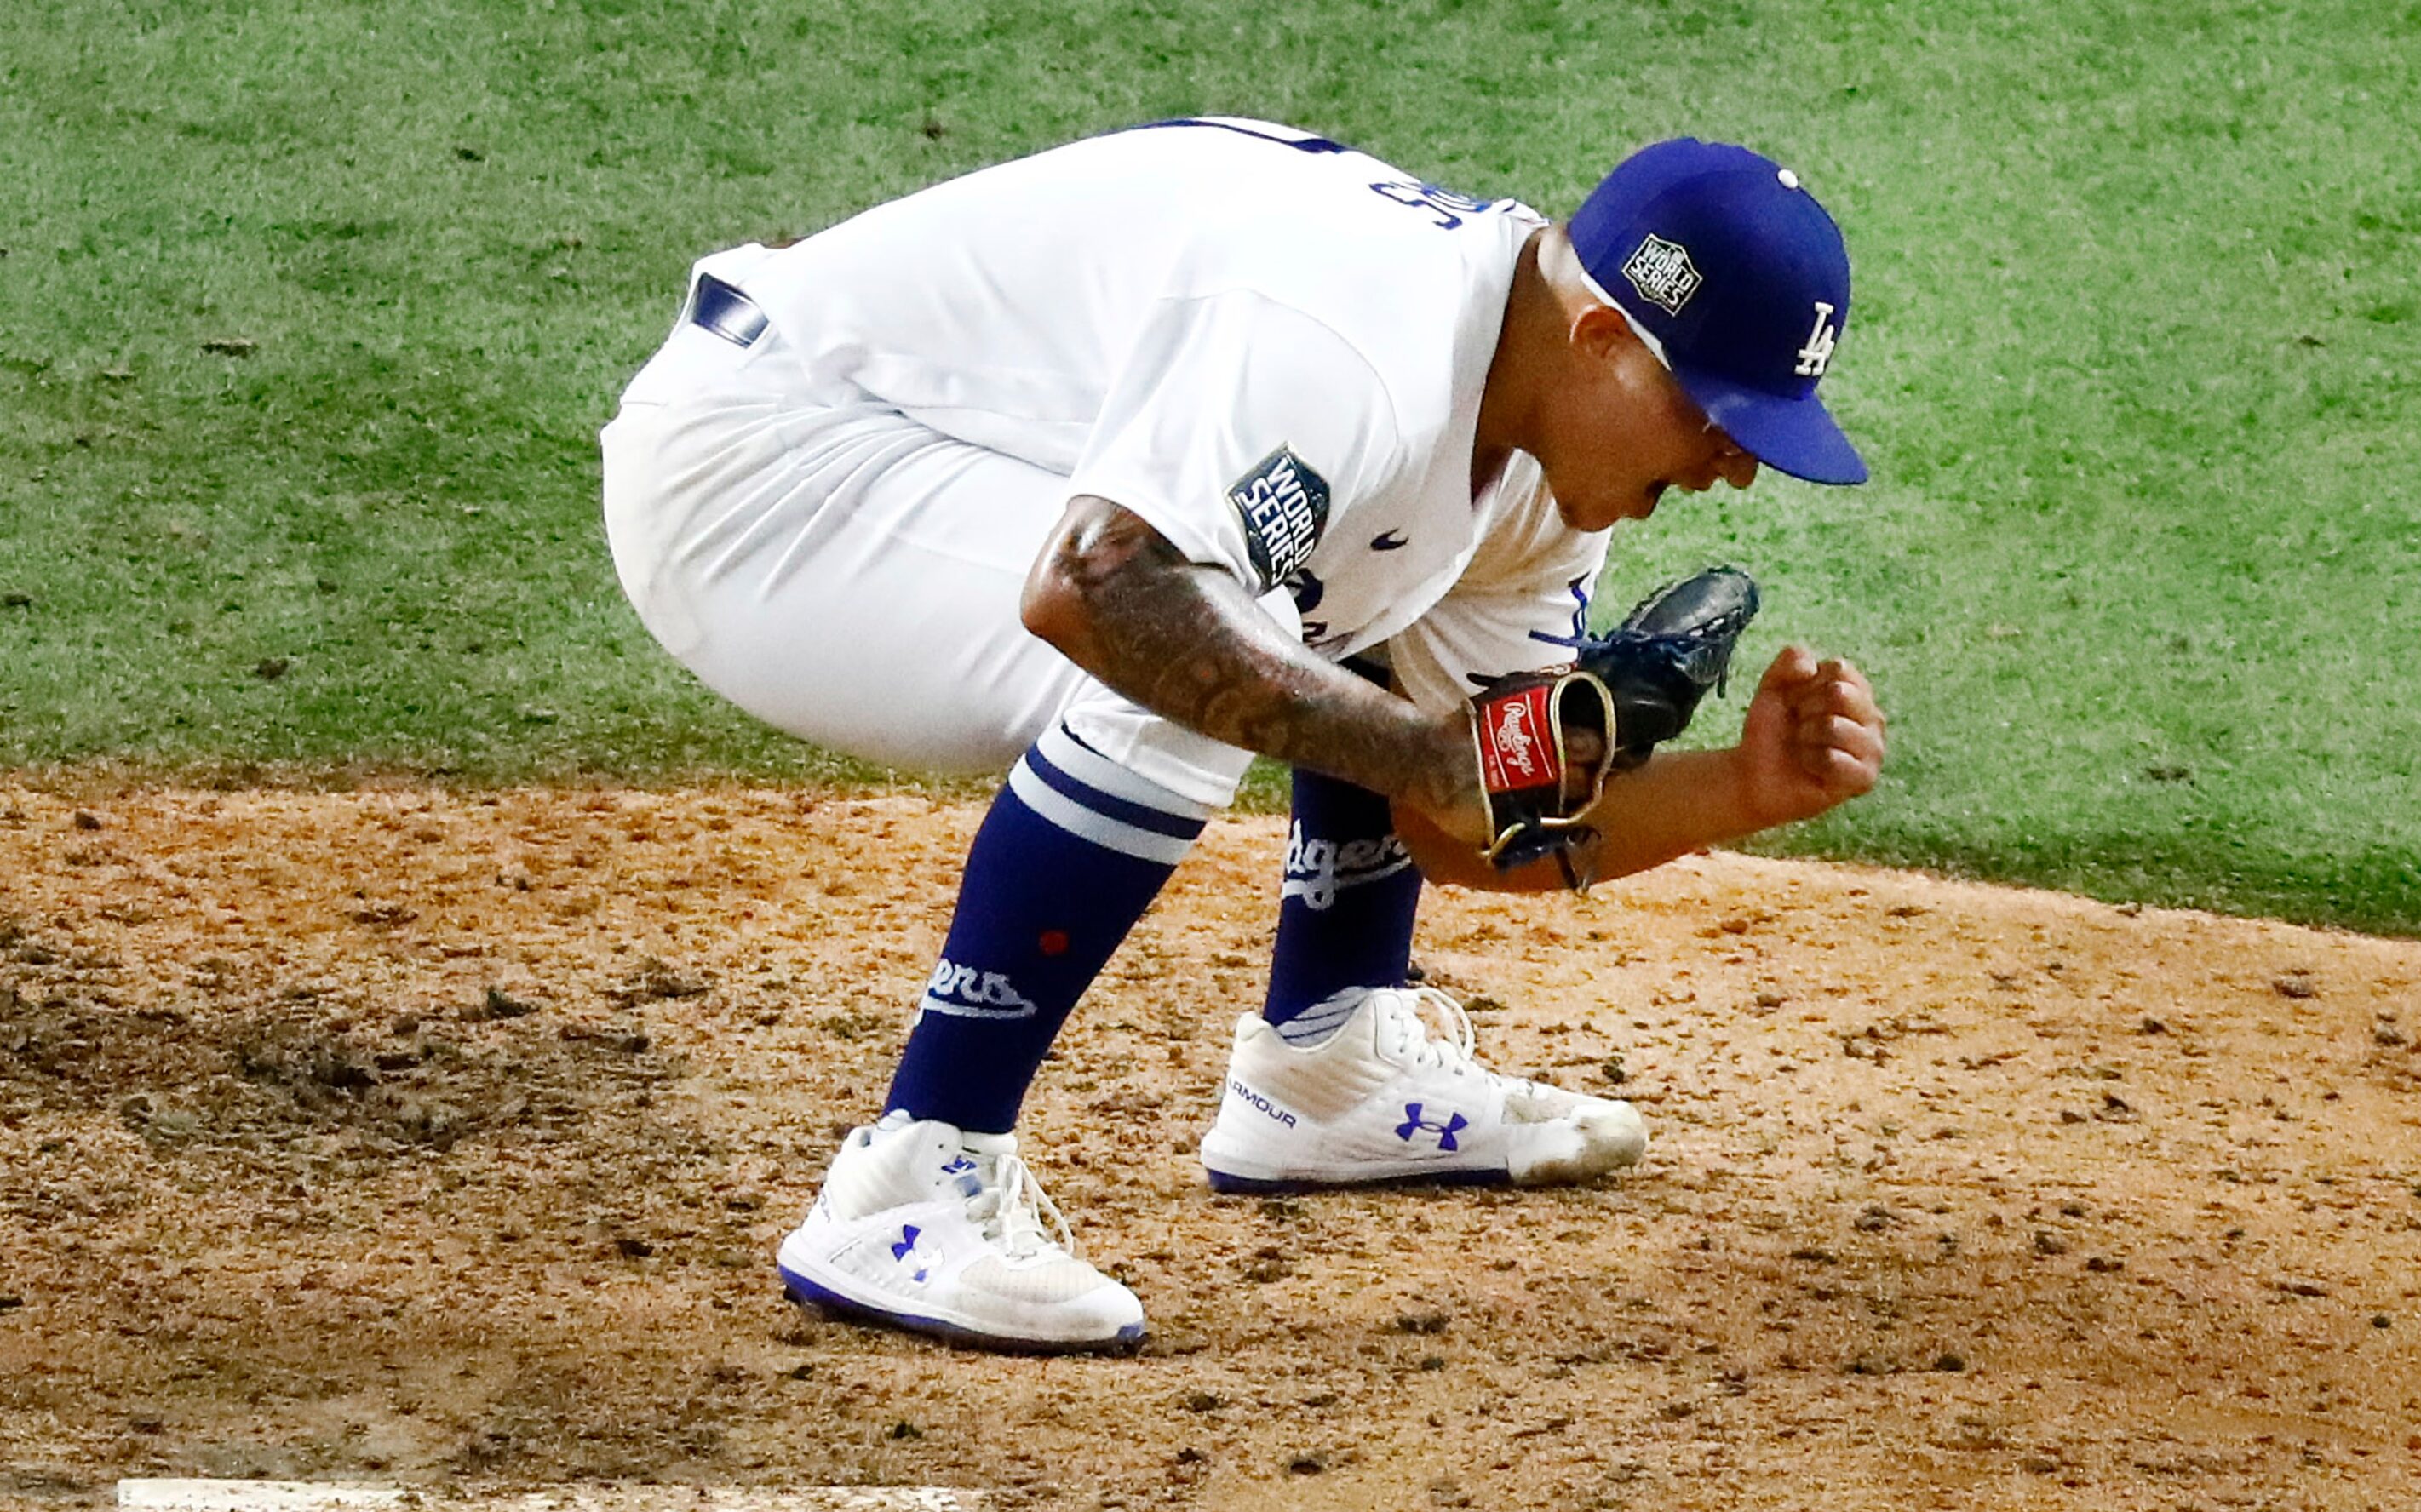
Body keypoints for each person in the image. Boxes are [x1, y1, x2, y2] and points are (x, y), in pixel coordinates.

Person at [598, 117, 1888, 1352]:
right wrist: (1430, 751)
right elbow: (1100, 590)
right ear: (1605, 336)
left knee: (1266, 615)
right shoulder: (1356, 349)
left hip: (945, 465)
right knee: (1179, 634)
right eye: (1717, 417)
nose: (1734, 470)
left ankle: (1327, 1065)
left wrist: (1742, 786)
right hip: (767, 465)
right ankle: (916, 1174)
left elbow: (1464, 817)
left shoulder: (1547, 465)